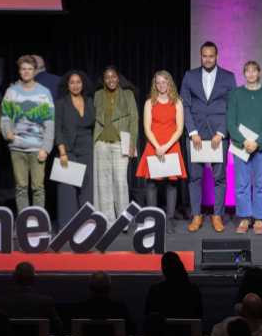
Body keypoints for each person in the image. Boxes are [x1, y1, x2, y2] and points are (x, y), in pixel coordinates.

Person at [180, 41, 237, 233]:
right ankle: (197, 215)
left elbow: (232, 107)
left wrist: (221, 133)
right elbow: (185, 105)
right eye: (204, 55)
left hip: (218, 136)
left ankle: (217, 215)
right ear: (200, 56)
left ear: (217, 56)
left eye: (211, 56)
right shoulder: (190, 76)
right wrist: (192, 132)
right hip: (196, 134)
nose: (208, 59)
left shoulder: (228, 77)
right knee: (195, 177)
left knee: (219, 177)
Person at [226, 61, 262, 235]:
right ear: (244, 74)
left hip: (261, 146)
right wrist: (243, 141)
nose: (251, 74)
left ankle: (260, 218)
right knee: (241, 184)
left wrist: (258, 142)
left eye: (254, 71)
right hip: (241, 146)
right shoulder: (236, 93)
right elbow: (231, 121)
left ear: (259, 73)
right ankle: (245, 217)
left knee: (261, 184)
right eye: (248, 71)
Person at [1, 55, 55, 212]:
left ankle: (39, 222)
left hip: (38, 148)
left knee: (38, 187)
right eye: (23, 69)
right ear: (19, 71)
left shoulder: (44, 93)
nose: (26, 72)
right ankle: (23, 222)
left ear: (35, 71)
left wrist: (46, 148)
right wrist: (7, 134)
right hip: (17, 147)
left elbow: (50, 122)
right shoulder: (11, 92)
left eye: (30, 69)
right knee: (21, 187)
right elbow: (5, 116)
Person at [136, 71, 187, 233]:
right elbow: (146, 127)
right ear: (155, 84)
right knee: (151, 184)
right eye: (158, 82)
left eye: (164, 82)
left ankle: (170, 219)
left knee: (172, 184)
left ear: (169, 83)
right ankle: (152, 220)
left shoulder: (177, 102)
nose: (161, 85)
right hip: (154, 146)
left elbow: (179, 129)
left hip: (171, 146)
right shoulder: (149, 103)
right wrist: (158, 146)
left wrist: (166, 146)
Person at [93, 66, 139, 222]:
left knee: (120, 181)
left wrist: (132, 143)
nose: (110, 80)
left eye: (113, 77)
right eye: (107, 77)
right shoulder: (98, 95)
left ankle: (123, 220)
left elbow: (134, 119)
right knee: (104, 182)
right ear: (104, 80)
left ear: (118, 78)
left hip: (121, 142)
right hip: (101, 143)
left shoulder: (127, 94)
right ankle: (108, 219)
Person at [55, 70, 95, 228]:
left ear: (82, 84)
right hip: (68, 150)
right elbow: (57, 129)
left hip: (87, 148)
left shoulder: (89, 101)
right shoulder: (61, 103)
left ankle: (86, 223)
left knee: (87, 188)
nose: (75, 85)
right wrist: (62, 152)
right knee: (67, 189)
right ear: (67, 85)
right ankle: (67, 225)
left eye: (78, 82)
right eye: (72, 82)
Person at [0, 262, 63, 336]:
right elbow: (58, 330)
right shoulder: (46, 302)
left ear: (14, 278)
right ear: (34, 279)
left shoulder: (1, 302)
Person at [144, 251, 203, 320]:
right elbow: (199, 316)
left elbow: (148, 317)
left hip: (162, 330)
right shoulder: (193, 289)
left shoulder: (155, 290)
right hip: (187, 330)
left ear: (164, 269)